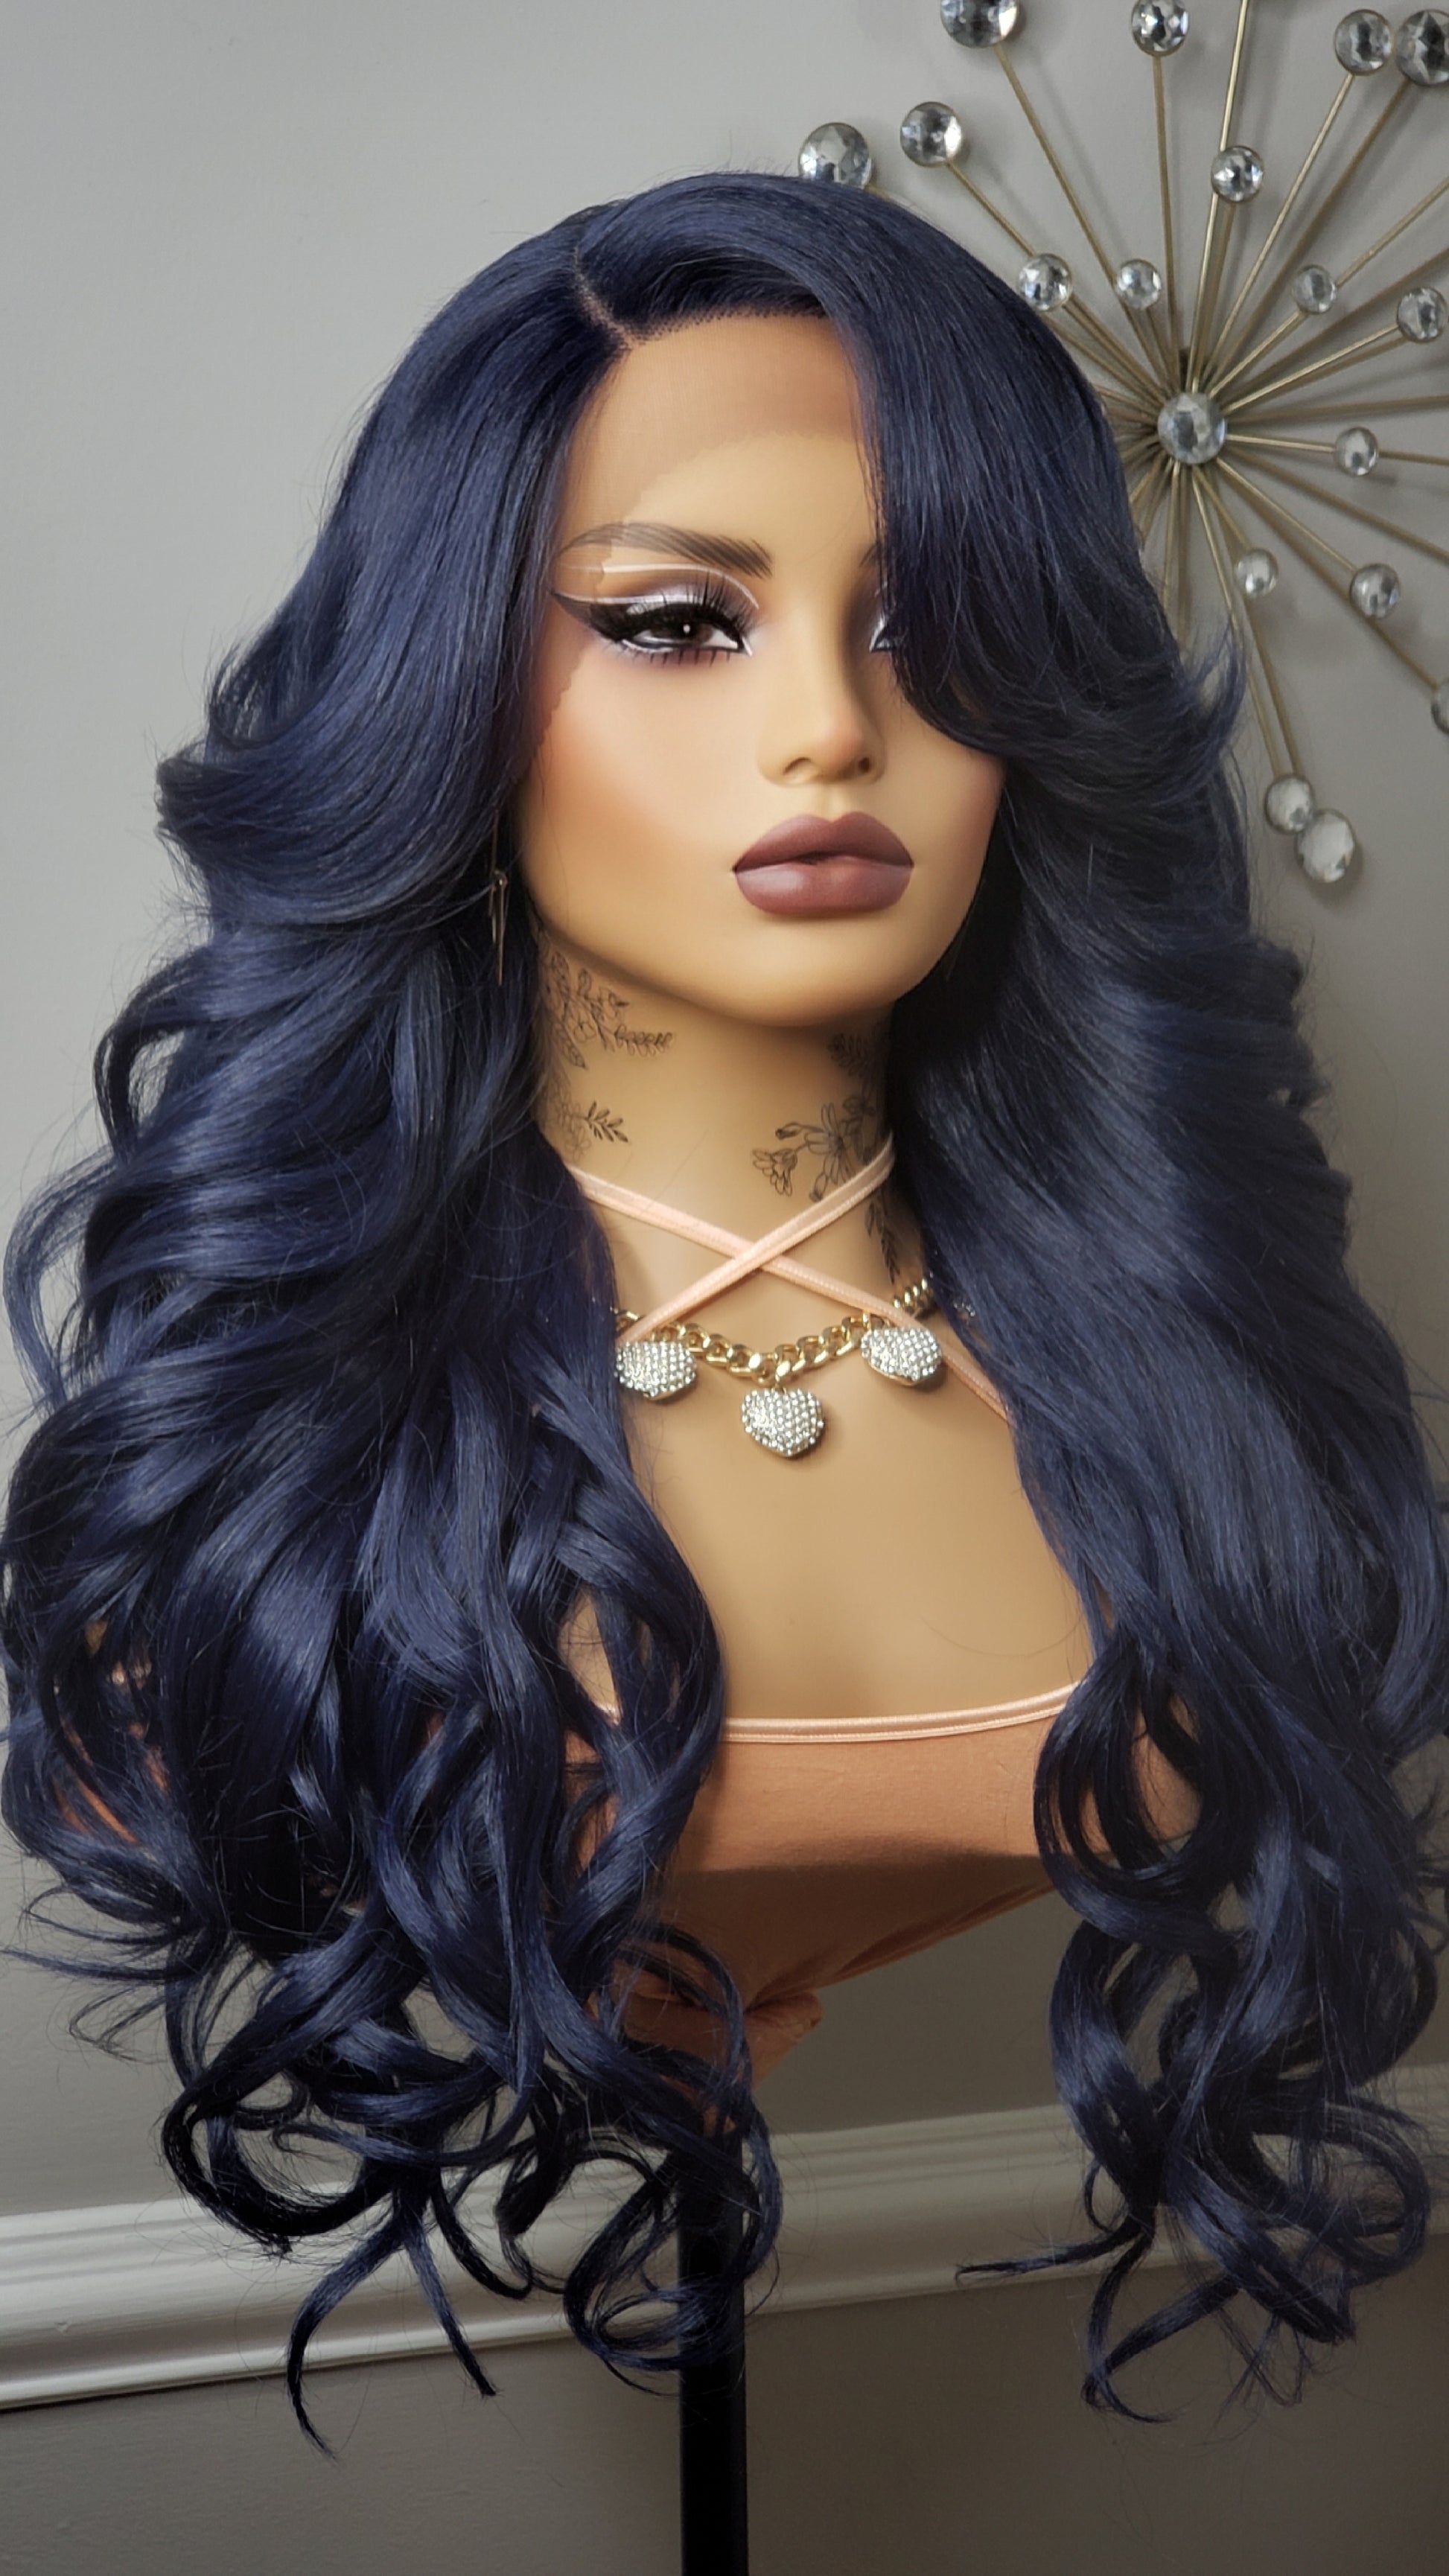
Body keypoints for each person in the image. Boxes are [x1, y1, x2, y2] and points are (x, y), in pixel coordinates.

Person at [2, 170, 1445, 2437]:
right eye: (680, 621)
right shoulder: (281, 1426)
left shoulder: (1176, 1354)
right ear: (455, 689)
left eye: (930, 628)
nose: (831, 729)